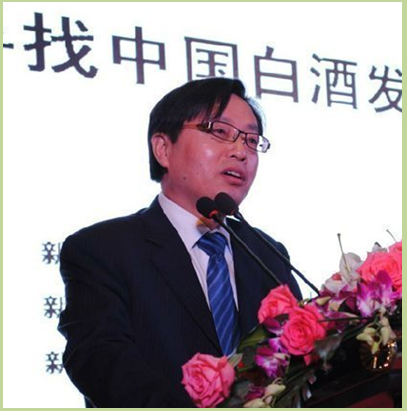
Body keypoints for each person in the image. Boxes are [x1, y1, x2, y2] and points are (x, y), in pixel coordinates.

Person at [58, 77, 302, 407]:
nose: (240, 151)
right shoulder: (103, 249)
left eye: (251, 140)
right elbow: (100, 361)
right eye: (220, 131)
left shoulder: (267, 254)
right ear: (163, 149)